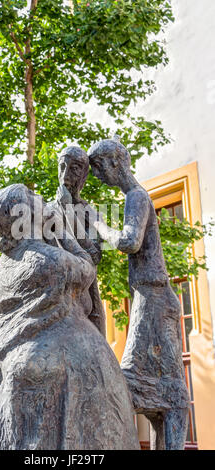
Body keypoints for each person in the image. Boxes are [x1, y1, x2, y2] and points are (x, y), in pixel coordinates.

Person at [0, 183, 139, 450]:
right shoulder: (49, 260)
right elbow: (87, 268)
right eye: (32, 196)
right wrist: (61, 230)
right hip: (57, 367)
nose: (40, 197)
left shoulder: (3, 265)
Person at [88, 137, 190, 450]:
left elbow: (130, 241)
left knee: (142, 386)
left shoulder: (136, 197)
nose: (98, 176)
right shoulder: (133, 197)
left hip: (154, 300)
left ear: (114, 162)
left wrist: (99, 224)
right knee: (158, 386)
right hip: (150, 299)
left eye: (98, 169)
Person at [50, 145, 106, 336]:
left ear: (83, 176)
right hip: (54, 298)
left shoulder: (91, 213)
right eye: (62, 167)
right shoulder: (44, 209)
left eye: (73, 170)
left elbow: (95, 255)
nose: (65, 177)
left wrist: (68, 211)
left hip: (85, 300)